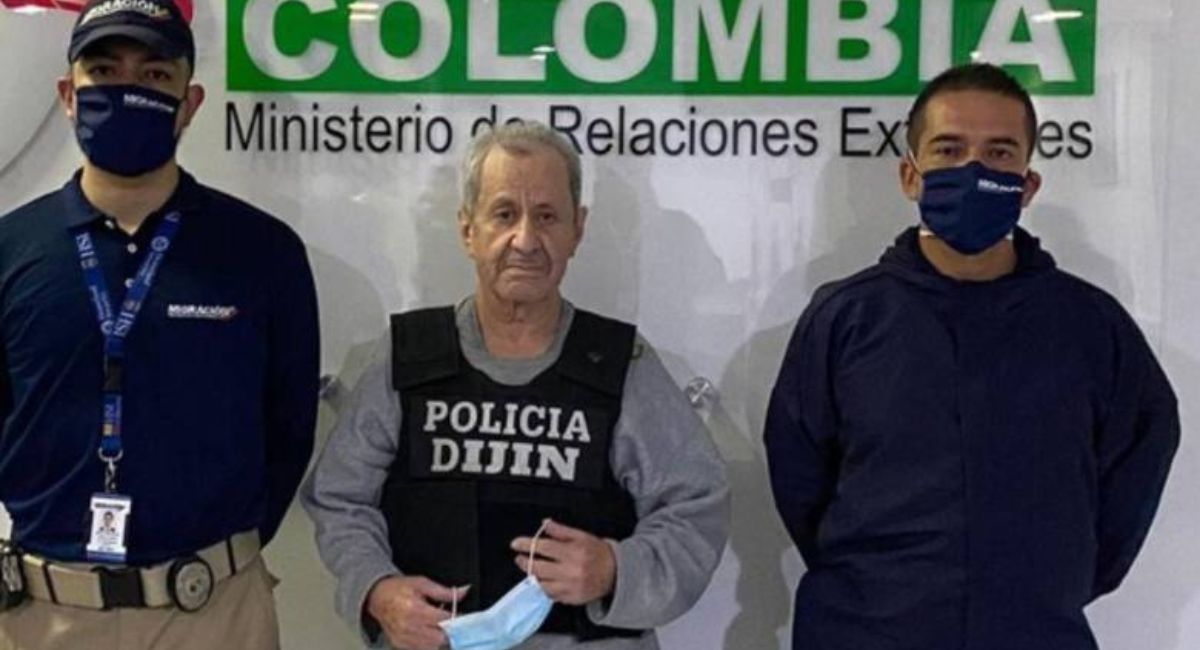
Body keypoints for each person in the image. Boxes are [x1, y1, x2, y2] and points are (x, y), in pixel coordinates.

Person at [764, 63, 1179, 650]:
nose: (974, 170)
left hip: (1034, 633)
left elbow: (1137, 464)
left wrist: (1048, 581)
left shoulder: (1090, 326)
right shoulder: (845, 319)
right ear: (910, 175)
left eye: (999, 153)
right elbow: (801, 477)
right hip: (863, 631)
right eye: (949, 149)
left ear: (1028, 184)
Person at [302, 121, 729, 650]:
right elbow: (338, 497)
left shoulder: (622, 366)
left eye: (547, 216)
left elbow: (697, 506)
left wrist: (616, 569)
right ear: (468, 229)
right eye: (504, 214)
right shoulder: (408, 357)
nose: (525, 240)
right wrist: (377, 589)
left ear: (578, 229)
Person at [0, 1, 319, 648]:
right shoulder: (11, 248)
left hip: (214, 612)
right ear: (68, 94)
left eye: (154, 76)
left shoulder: (264, 252)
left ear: (189, 102)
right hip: (42, 616)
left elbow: (288, 430)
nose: (127, 90)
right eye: (103, 71)